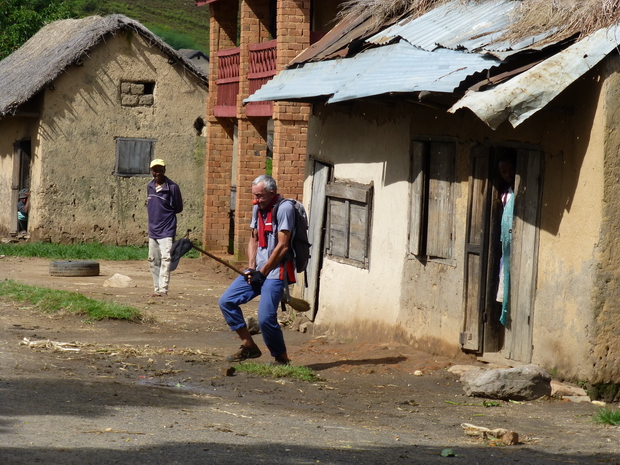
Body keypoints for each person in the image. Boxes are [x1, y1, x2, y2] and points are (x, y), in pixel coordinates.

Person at [218, 174, 296, 365]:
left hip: (276, 271)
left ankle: (281, 358)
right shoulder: (257, 208)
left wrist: (264, 272)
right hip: (259, 270)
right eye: (254, 195)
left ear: (272, 193)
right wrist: (252, 268)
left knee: (265, 318)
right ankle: (249, 346)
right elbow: (253, 237)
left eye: (260, 196)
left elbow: (283, 245)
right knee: (226, 301)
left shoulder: (285, 209)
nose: (256, 200)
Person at [147, 159, 183, 297]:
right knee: (152, 260)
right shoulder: (150, 186)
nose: (157, 173)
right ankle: (156, 289)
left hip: (167, 229)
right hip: (153, 230)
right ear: (152, 171)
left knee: (166, 259)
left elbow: (178, 207)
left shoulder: (172, 187)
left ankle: (163, 289)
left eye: (160, 170)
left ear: (164, 170)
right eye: (155, 170)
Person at [497, 157, 515, 326]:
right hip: (507, 246)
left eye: (510, 170)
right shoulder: (504, 193)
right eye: (504, 172)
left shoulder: (517, 193)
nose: (508, 174)